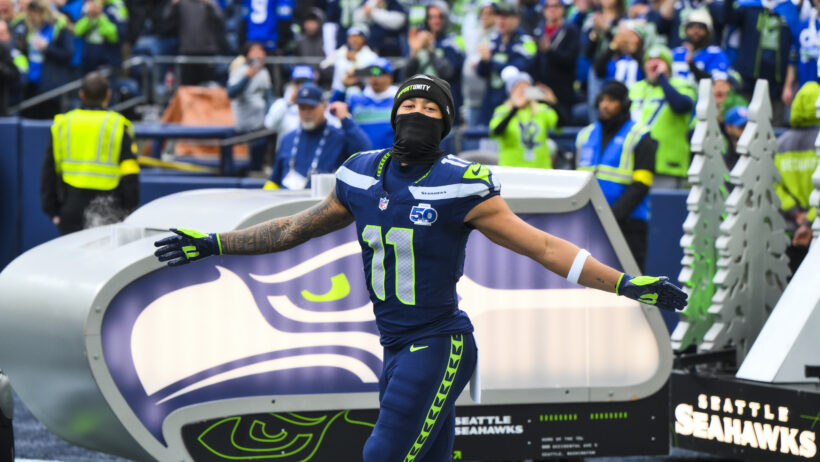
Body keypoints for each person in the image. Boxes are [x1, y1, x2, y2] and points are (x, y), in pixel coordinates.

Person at [154, 73, 687, 462]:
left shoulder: (461, 184)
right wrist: (215, 243)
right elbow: (293, 229)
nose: (418, 112)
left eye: (431, 109)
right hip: (393, 343)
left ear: (446, 124)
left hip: (439, 341)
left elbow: (544, 247)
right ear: (393, 115)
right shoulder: (360, 175)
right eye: (409, 104)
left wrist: (626, 284)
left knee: (383, 454)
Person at [41, 72, 140, 235]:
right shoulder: (117, 124)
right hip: (109, 209)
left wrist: (52, 210)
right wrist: (130, 208)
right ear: (108, 95)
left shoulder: (63, 124)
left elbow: (49, 170)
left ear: (81, 95)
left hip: (71, 208)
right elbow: (130, 171)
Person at [576, 80, 657, 271]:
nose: (605, 105)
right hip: (590, 221)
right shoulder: (585, 135)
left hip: (629, 223)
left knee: (632, 279)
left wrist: (610, 216)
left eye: (612, 100)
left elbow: (642, 184)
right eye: (602, 100)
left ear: (624, 104)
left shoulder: (640, 135)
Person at [264, 82, 371, 190]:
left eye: (311, 107)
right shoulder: (288, 139)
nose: (306, 112)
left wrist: (345, 119)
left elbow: (365, 152)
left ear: (324, 106)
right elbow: (274, 180)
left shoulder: (338, 137)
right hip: (287, 198)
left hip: (323, 198)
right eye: (302, 107)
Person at [629, 45, 696, 188]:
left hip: (667, 165)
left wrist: (662, 78)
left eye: (659, 60)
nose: (654, 63)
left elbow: (681, 106)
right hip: (634, 162)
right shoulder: (636, 87)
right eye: (650, 60)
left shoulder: (682, 85)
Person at [774, 82, 819, 273]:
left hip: (790, 230)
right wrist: (809, 221)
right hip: (815, 229)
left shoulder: (781, 143)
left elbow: (775, 185)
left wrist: (795, 214)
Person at [404, 1, 465, 125]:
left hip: (446, 103)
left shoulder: (452, 42)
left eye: (439, 16)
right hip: (421, 102)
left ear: (445, 18)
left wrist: (431, 51)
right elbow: (406, 74)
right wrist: (414, 52)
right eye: (431, 17)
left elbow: (448, 73)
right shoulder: (419, 39)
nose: (435, 20)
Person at [475, 2, 536, 126]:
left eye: (506, 16)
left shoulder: (527, 42)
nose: (502, 20)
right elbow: (481, 72)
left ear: (516, 19)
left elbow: (514, 71)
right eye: (498, 16)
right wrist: (483, 61)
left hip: (515, 105)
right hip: (490, 102)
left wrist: (490, 61)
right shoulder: (491, 39)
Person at [490, 68, 560, 169]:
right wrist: (515, 109)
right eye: (518, 87)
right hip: (511, 169)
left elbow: (561, 125)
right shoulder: (503, 110)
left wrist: (554, 103)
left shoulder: (541, 109)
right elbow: (495, 132)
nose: (523, 91)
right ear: (511, 91)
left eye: (526, 87)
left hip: (540, 169)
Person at [15, 0, 74, 119]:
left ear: (44, 12)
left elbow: (68, 54)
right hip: (29, 84)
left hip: (50, 87)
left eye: (36, 13)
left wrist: (47, 48)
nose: (33, 17)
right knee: (28, 120)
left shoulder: (60, 26)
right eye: (31, 13)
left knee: (47, 121)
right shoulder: (29, 26)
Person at [227, 41, 273, 173]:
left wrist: (270, 117)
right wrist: (247, 78)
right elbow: (231, 93)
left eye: (261, 51)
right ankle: (252, 171)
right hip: (244, 122)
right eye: (255, 51)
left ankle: (262, 168)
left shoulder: (264, 72)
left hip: (260, 122)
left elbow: (268, 97)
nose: (259, 54)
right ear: (247, 55)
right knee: (258, 144)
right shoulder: (240, 71)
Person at [532, 0, 581, 121]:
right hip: (541, 89)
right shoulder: (538, 30)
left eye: (555, 6)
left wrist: (550, 51)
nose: (551, 9)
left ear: (562, 9)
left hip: (563, 92)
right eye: (547, 6)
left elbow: (570, 59)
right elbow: (534, 61)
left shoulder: (571, 30)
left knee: (562, 123)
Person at [161, 0, 228, 85]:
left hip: (207, 52)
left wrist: (210, 3)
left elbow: (220, 19)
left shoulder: (208, 3)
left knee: (207, 86)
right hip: (187, 51)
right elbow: (166, 19)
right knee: (188, 86)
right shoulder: (182, 3)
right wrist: (173, 3)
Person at [346, 57, 398, 150]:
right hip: (361, 157)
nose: (374, 77)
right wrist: (342, 87)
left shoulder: (400, 102)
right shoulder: (355, 99)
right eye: (370, 73)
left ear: (390, 77)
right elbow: (333, 112)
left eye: (379, 73)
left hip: (389, 157)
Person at [322, 25, 379, 102]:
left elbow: (377, 71)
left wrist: (356, 64)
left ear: (364, 38)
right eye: (351, 37)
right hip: (339, 92)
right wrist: (343, 56)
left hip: (362, 92)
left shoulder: (371, 56)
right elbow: (323, 66)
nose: (353, 40)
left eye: (356, 37)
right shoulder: (341, 52)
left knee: (353, 91)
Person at [670, 9, 729, 84]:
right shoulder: (674, 53)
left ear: (708, 31)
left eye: (701, 26)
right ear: (685, 30)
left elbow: (717, 84)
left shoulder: (716, 54)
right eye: (691, 26)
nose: (695, 30)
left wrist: (692, 65)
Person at [264, 65, 315, 150]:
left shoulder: (318, 105)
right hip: (286, 154)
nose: (301, 86)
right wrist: (288, 103)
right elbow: (269, 124)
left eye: (306, 82)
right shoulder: (281, 103)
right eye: (298, 82)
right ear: (292, 84)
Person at [73, 0, 128, 74]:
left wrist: (100, 16)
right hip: (88, 59)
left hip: (109, 60)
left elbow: (116, 36)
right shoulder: (91, 5)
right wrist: (89, 16)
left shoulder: (117, 6)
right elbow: (77, 31)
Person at [0, 19, 20, 116]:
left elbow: (15, 75)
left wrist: (1, 67)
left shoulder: (5, 50)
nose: (1, 37)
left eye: (3, 33)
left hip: (6, 103)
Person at [722, 105, 746, 171]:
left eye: (748, 126)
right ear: (728, 128)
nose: (746, 130)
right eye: (741, 126)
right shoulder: (723, 158)